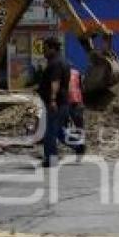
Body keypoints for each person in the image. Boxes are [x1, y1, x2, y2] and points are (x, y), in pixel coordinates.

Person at [38, 37, 72, 168]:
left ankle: (51, 159)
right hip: (62, 102)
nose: (43, 52)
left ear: (52, 48)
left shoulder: (55, 63)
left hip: (55, 103)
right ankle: (79, 144)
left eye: (45, 49)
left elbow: (55, 82)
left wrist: (52, 100)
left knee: (50, 132)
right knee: (58, 131)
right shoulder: (63, 61)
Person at [66, 67, 87, 157]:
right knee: (79, 124)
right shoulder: (77, 72)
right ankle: (81, 144)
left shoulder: (62, 72)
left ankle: (77, 145)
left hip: (67, 100)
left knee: (63, 125)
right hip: (77, 100)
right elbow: (82, 87)